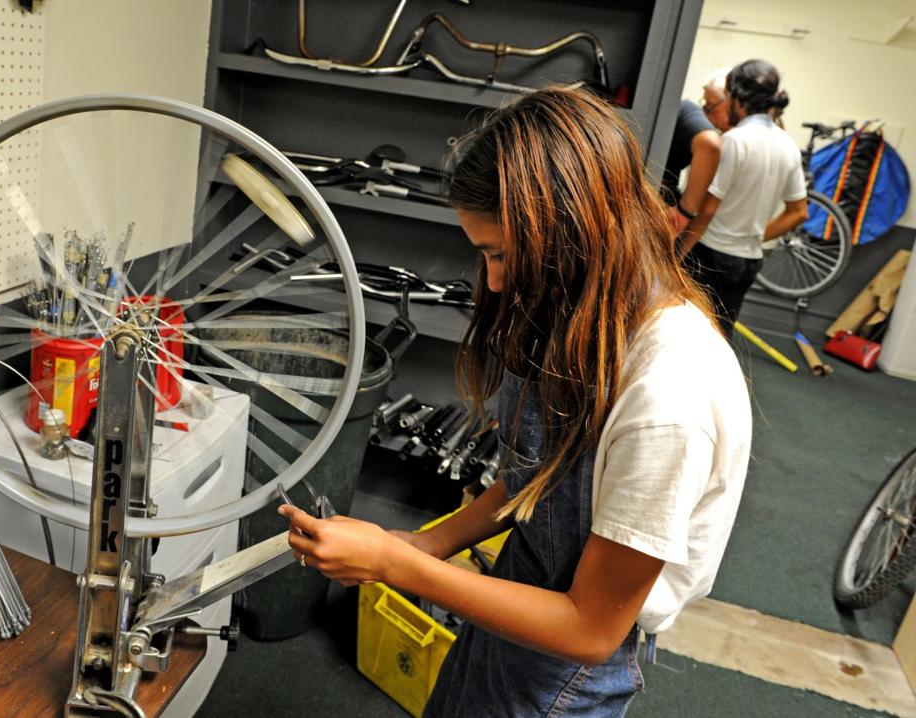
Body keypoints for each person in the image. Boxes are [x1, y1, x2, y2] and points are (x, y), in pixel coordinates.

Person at [280, 87, 751, 717]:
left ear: (577, 232)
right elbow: (536, 481)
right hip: (514, 605)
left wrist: (396, 564)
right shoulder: (595, 312)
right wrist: (429, 545)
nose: (495, 280)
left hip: (561, 671)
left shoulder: (669, 397)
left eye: (501, 254)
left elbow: (590, 630)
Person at [680, 59, 809, 335]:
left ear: (738, 100)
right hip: (747, 261)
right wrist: (753, 236)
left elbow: (707, 211)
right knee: (719, 335)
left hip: (710, 257)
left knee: (686, 333)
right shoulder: (788, 145)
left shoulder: (735, 141)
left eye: (726, 98)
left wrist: (677, 255)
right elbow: (799, 212)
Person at [661, 69, 727, 236]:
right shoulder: (691, 113)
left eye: (710, 106)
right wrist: (684, 214)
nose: (706, 111)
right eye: (707, 104)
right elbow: (710, 145)